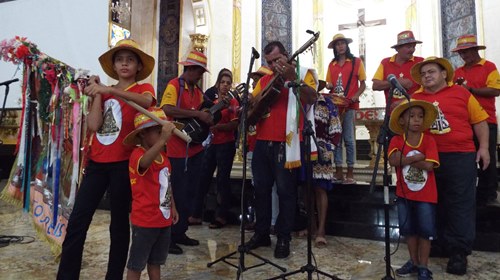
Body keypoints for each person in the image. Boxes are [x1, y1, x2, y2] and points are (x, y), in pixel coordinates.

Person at [57, 39, 156, 280]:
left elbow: (147, 103)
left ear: (138, 67)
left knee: (119, 225)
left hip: (124, 164)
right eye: (120, 59)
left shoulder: (144, 89)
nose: (124, 63)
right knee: (78, 221)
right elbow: (93, 125)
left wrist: (109, 90)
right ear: (113, 65)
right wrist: (99, 95)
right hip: (97, 165)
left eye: (130, 59)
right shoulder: (104, 93)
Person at [410, 56, 490, 275]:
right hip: (426, 158)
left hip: (459, 155)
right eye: (424, 73)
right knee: (430, 202)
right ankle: (436, 243)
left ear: (444, 74)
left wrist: (483, 148)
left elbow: (480, 121)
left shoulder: (462, 93)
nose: (427, 76)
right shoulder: (415, 97)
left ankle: (458, 252)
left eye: (431, 72)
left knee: (459, 203)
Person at [244, 41, 318, 258]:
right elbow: (255, 102)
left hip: (287, 143)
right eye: (269, 62)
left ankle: (284, 237)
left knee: (286, 192)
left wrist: (292, 77)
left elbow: (312, 97)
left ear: (286, 56)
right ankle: (262, 234)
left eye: (277, 60)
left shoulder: (302, 73)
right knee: (261, 191)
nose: (274, 65)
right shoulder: (265, 79)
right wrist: (250, 100)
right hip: (262, 142)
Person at [159, 50, 212, 255]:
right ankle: (169, 236)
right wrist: (197, 113)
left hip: (196, 149)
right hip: (177, 149)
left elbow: (203, 116)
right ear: (188, 69)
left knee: (191, 192)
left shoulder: (198, 91)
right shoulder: (174, 85)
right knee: (176, 193)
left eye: (201, 72)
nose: (200, 75)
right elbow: (167, 109)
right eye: (198, 71)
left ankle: (181, 232)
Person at [122, 108, 179, 280]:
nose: (163, 135)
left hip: (163, 219)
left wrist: (173, 207)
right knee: (136, 264)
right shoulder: (137, 155)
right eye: (158, 131)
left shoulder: (164, 157)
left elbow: (167, 184)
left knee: (156, 262)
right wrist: (162, 140)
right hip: (145, 221)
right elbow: (145, 163)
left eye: (163, 131)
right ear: (142, 135)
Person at [388, 99, 439, 280]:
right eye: (412, 116)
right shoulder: (396, 140)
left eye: (420, 116)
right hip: (404, 194)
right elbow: (393, 161)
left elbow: (430, 166)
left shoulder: (429, 140)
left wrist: (406, 158)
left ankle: (423, 265)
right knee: (408, 229)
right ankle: (413, 261)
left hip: (426, 196)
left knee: (425, 231)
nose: (417, 120)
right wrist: (418, 157)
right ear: (402, 120)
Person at [452, 34, 500, 207]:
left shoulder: (489, 67)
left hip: (486, 120)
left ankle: (489, 194)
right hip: (465, 122)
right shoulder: (457, 72)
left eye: (466, 52)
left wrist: (469, 89)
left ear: (475, 50)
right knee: (467, 158)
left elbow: (495, 90)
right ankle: (470, 192)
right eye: (461, 53)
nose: (463, 56)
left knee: (487, 158)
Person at [192, 69, 240, 229]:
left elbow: (234, 124)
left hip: (226, 144)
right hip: (210, 144)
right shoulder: (210, 101)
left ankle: (221, 216)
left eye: (228, 83)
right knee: (202, 177)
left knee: (222, 179)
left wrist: (219, 127)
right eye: (222, 82)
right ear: (218, 84)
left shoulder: (233, 102)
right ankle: (196, 214)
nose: (225, 85)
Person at [325, 33, 366, 184]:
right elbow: (329, 84)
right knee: (336, 139)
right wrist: (328, 85)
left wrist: (356, 95)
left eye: (342, 43)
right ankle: (338, 171)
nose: (340, 46)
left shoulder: (356, 62)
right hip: (335, 107)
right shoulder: (332, 64)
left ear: (347, 45)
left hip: (349, 105)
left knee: (348, 139)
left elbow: (363, 84)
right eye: (337, 44)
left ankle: (350, 172)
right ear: (334, 48)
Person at [311, 91, 342, 248]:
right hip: (301, 149)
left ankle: (321, 230)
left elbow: (336, 128)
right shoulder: (299, 100)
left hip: (321, 149)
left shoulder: (327, 103)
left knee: (320, 189)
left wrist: (328, 147)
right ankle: (312, 228)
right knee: (305, 189)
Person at [372, 30, 424, 109]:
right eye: (409, 47)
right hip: (392, 113)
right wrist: (397, 82)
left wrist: (404, 101)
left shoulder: (420, 62)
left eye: (414, 46)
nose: (412, 50)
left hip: (416, 113)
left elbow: (427, 89)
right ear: (397, 48)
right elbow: (375, 85)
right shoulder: (385, 62)